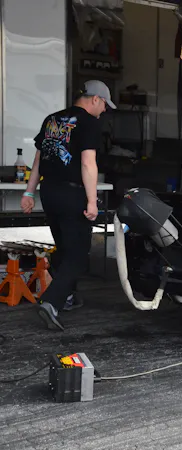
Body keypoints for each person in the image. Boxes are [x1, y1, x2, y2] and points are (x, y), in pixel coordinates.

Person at [21, 80, 115, 330]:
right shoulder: (89, 123)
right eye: (105, 104)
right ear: (95, 99)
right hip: (72, 194)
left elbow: (38, 159)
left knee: (64, 247)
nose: (104, 110)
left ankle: (68, 296)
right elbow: (87, 163)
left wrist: (29, 192)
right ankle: (51, 302)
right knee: (78, 255)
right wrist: (92, 201)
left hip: (49, 192)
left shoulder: (52, 119)